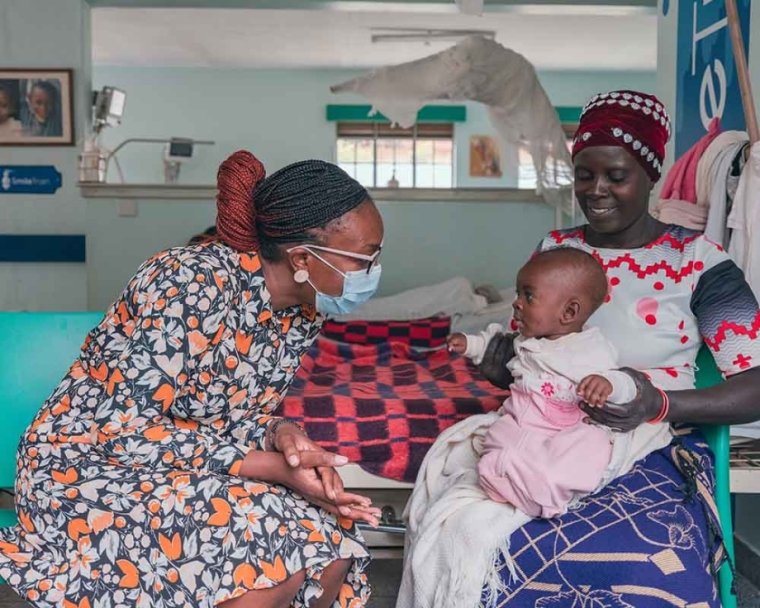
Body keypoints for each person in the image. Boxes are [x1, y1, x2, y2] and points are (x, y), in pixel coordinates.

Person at [408, 90, 760, 607]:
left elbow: (756, 383)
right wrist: (498, 368)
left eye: (615, 176)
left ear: (650, 175)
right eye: (584, 175)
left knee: (652, 562)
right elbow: (529, 357)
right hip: (543, 433)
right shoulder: (556, 251)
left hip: (651, 444)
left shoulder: (699, 262)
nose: (596, 191)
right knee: (474, 543)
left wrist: (659, 403)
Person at [0, 150, 385, 608]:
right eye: (365, 258)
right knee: (269, 544)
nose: (375, 270)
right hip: (86, 466)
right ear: (302, 256)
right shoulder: (188, 280)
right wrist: (276, 471)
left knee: (330, 538)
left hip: (183, 466)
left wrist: (285, 436)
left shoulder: (302, 313)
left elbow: (234, 414)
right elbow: (125, 429)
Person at [448, 248, 656, 518]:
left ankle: (546, 494)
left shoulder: (590, 349)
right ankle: (510, 478)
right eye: (518, 293)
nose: (516, 303)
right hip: (523, 422)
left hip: (564, 431)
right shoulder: (528, 340)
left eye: (528, 296)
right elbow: (496, 343)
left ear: (569, 312)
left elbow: (624, 382)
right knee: (497, 441)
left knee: (592, 444)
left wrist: (608, 383)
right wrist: (470, 344)